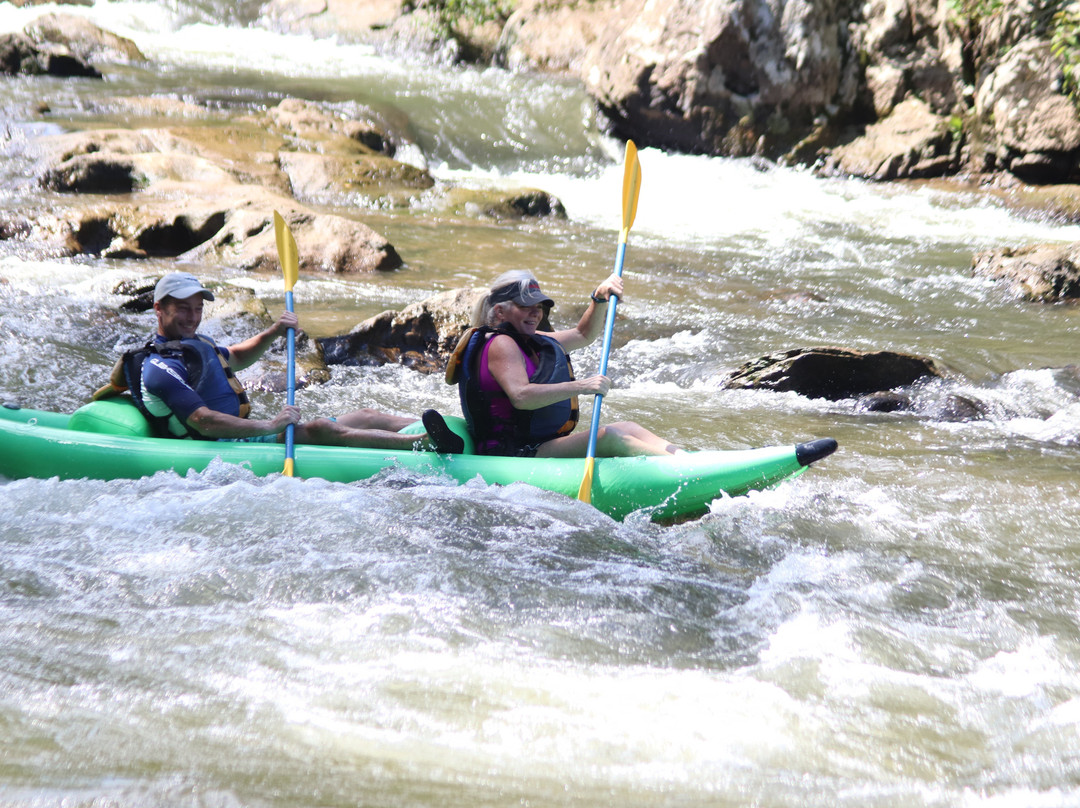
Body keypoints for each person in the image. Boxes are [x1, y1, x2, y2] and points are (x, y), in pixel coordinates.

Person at [112, 272, 463, 453]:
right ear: (159, 309)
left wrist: (274, 331)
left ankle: (441, 426)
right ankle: (422, 443)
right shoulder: (160, 367)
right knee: (320, 429)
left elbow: (234, 357)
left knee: (366, 415)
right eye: (183, 309)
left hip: (241, 435)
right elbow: (203, 422)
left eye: (198, 308)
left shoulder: (195, 344)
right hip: (219, 445)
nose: (192, 317)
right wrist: (270, 425)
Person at [447, 269, 682, 458]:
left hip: (537, 444)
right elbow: (521, 396)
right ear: (500, 312)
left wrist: (599, 298)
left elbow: (582, 335)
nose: (535, 313)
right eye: (525, 306)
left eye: (538, 307)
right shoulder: (500, 344)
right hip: (511, 452)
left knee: (629, 427)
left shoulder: (529, 340)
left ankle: (685, 458)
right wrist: (582, 386)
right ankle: (681, 471)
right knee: (607, 436)